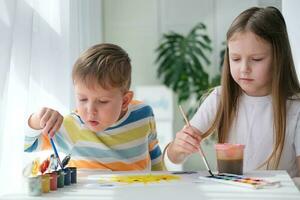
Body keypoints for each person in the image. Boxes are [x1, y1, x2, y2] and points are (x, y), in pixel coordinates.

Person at [166, 6, 300, 178]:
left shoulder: (295, 106)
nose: (244, 69)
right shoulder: (219, 98)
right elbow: (172, 158)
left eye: (256, 59)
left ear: (279, 58)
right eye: (235, 59)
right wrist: (179, 147)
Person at [25, 43, 164, 171]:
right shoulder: (71, 126)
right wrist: (37, 119)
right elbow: (27, 145)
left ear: (125, 101)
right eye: (82, 99)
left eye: (103, 101)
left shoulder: (143, 115)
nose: (90, 111)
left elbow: (156, 157)